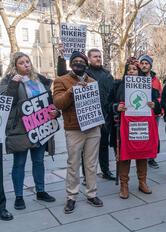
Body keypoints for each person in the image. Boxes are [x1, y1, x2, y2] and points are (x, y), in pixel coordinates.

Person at [1, 52, 58, 211]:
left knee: (39, 161)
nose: (26, 64)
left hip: (40, 127)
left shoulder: (39, 79)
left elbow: (50, 101)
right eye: (21, 63)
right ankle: (19, 196)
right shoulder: (7, 81)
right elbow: (7, 102)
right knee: (19, 163)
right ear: (14, 66)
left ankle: (40, 191)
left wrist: (55, 112)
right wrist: (13, 83)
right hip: (20, 130)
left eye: (28, 61)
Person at [53, 51, 104, 214]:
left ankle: (91, 193)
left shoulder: (93, 81)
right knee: (73, 164)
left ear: (86, 64)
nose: (78, 63)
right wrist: (71, 91)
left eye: (81, 61)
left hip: (93, 128)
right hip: (74, 129)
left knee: (91, 164)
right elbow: (58, 103)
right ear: (70, 64)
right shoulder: (61, 80)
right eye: (75, 61)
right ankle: (71, 196)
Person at [56, 45, 115, 181]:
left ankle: (106, 171)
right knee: (85, 152)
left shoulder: (107, 75)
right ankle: (85, 177)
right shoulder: (83, 73)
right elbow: (62, 73)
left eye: (99, 56)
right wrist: (61, 57)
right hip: (85, 118)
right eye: (95, 56)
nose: (98, 59)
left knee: (104, 146)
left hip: (103, 116)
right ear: (89, 59)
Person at [114, 57, 160, 198]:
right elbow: (110, 104)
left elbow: (158, 106)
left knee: (142, 153)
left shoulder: (149, 88)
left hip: (142, 126)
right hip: (125, 126)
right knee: (124, 155)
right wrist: (117, 107)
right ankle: (124, 185)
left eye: (134, 69)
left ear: (139, 72)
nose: (132, 71)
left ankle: (142, 182)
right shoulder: (119, 86)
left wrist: (154, 105)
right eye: (129, 70)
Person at [139, 54, 162, 170]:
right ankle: (142, 156)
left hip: (153, 113)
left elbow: (160, 97)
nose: (144, 65)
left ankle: (152, 158)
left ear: (150, 65)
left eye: (146, 63)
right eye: (142, 63)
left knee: (153, 135)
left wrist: (157, 106)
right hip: (140, 113)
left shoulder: (156, 81)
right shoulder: (135, 78)